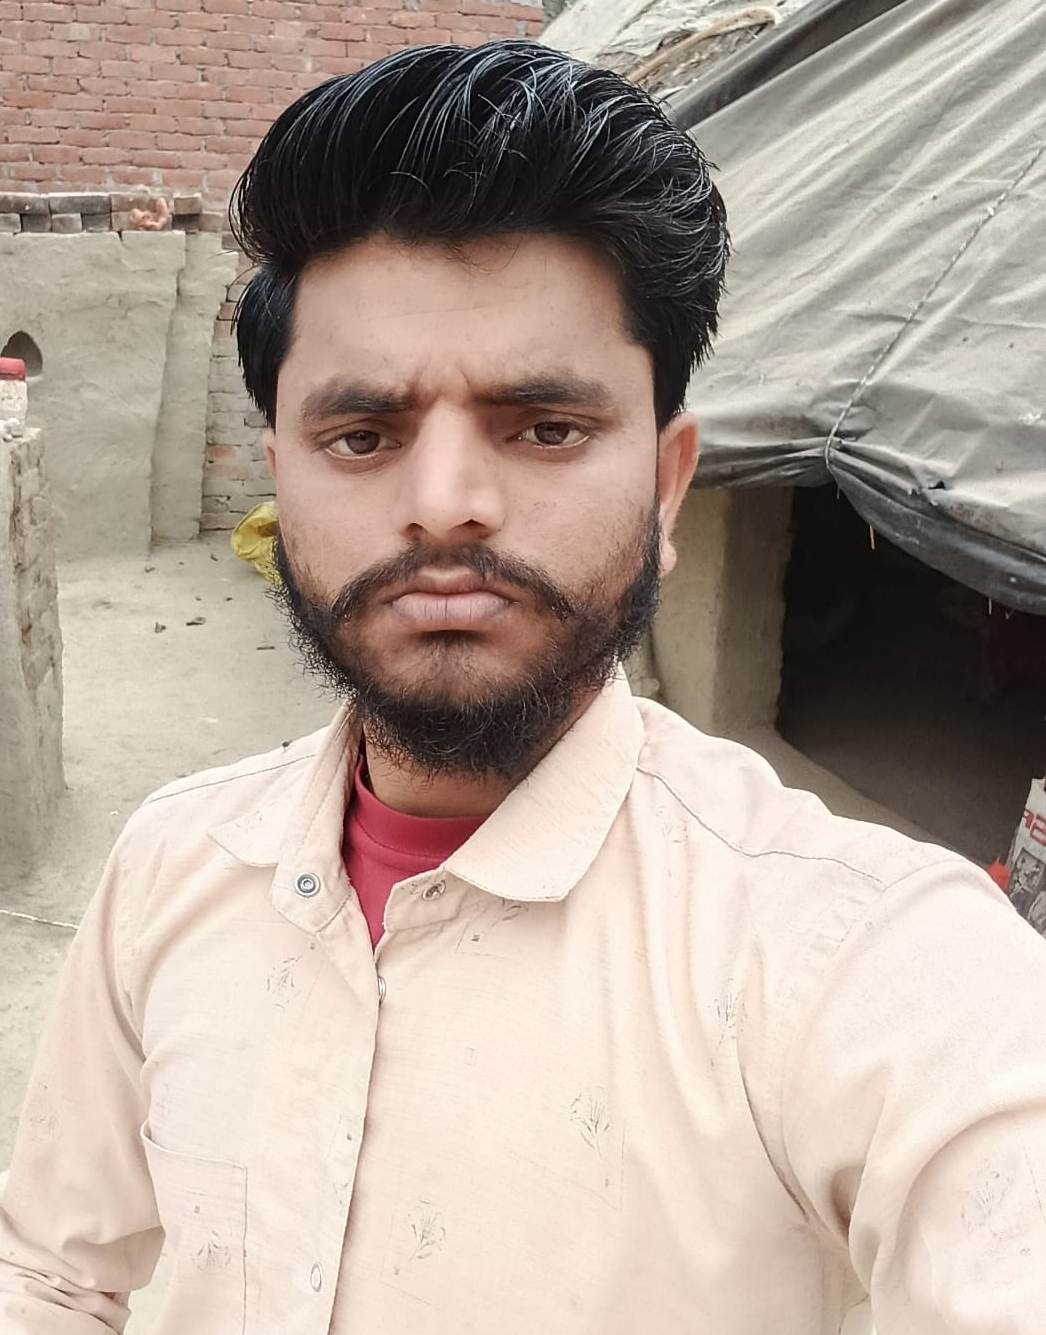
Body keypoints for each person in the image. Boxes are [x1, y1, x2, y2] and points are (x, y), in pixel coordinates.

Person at [2, 39, 1045, 1335]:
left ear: (666, 486)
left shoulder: (859, 958)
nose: (444, 504)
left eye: (546, 427)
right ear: (283, 481)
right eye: (362, 436)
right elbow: (46, 1273)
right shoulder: (168, 868)